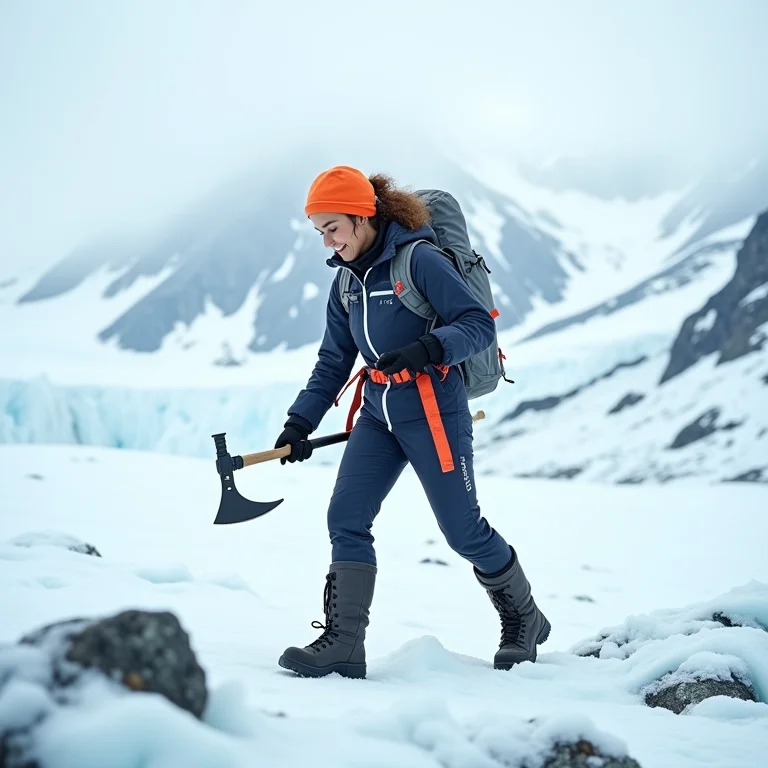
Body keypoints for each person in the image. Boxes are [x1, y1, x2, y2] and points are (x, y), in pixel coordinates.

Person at [274, 165, 550, 679]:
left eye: (332, 228)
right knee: (346, 517)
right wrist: (299, 423)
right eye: (319, 231)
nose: (327, 242)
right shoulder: (346, 283)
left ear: (361, 217)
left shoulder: (418, 260)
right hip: (378, 414)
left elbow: (477, 325)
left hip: (434, 411)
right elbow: (333, 361)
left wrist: (428, 348)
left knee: (463, 532)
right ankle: (344, 645)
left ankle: (525, 618)